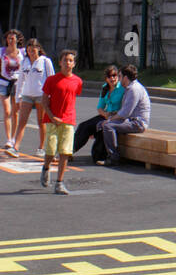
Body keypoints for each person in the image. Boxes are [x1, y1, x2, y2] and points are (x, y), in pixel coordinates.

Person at [39, 49, 83, 194]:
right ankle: (46, 168)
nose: (68, 63)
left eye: (70, 60)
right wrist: (52, 117)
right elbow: (44, 102)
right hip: (52, 120)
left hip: (68, 120)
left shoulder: (78, 81)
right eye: (65, 60)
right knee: (51, 150)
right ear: (60, 62)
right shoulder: (51, 80)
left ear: (74, 64)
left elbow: (73, 97)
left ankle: (59, 183)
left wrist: (64, 118)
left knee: (65, 152)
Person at [10, 39, 54, 156]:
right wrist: (18, 97)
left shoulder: (45, 61)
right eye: (29, 51)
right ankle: (15, 147)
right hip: (27, 94)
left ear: (38, 49)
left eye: (33, 50)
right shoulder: (24, 61)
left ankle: (41, 147)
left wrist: (50, 97)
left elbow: (51, 79)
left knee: (41, 122)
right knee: (22, 121)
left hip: (41, 95)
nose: (31, 53)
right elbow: (20, 80)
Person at [100, 65, 151, 166]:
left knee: (108, 126)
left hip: (137, 123)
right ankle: (101, 153)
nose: (118, 79)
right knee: (101, 124)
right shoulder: (130, 88)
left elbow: (125, 113)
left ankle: (113, 157)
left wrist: (110, 120)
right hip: (131, 120)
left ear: (125, 78)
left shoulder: (134, 90)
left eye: (119, 76)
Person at [72, 64, 123, 162]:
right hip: (106, 115)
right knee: (84, 126)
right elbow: (100, 107)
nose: (112, 78)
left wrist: (111, 116)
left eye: (114, 75)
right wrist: (105, 114)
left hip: (117, 117)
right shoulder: (105, 88)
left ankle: (100, 155)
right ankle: (69, 151)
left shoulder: (122, 88)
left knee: (101, 131)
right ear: (106, 79)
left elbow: (125, 108)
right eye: (109, 76)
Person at [1, 29, 22, 152]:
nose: (10, 41)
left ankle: (14, 138)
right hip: (4, 82)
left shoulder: (22, 53)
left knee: (15, 112)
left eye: (12, 38)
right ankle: (9, 139)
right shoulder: (1, 52)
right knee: (7, 110)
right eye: (8, 38)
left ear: (18, 40)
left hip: (17, 83)